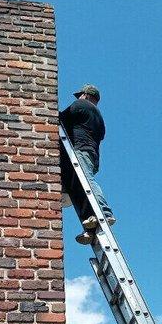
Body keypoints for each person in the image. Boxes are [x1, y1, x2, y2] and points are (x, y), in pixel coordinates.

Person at [59, 84, 116, 244]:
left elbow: (59, 119)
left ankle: (105, 212)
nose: (78, 98)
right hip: (91, 154)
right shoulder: (99, 117)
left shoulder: (80, 105)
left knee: (87, 182)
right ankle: (90, 228)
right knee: (78, 188)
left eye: (81, 95)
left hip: (80, 150)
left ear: (87, 95)